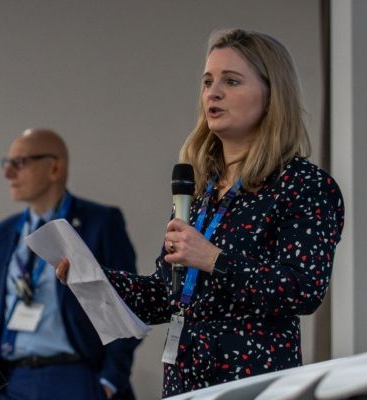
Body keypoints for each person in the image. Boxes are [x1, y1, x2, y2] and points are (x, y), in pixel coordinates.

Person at [56, 29, 345, 397]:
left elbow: (303, 290)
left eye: (232, 81)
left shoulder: (303, 185)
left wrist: (214, 259)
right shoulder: (200, 190)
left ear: (272, 95)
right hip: (184, 386)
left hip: (253, 385)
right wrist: (92, 277)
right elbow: (166, 296)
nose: (214, 92)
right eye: (208, 81)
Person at [0, 128, 140, 400]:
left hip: (76, 377)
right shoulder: (0, 235)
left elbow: (129, 305)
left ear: (55, 168)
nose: (8, 174)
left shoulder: (100, 223)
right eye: (7, 164)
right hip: (13, 380)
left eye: (20, 163)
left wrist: (109, 381)